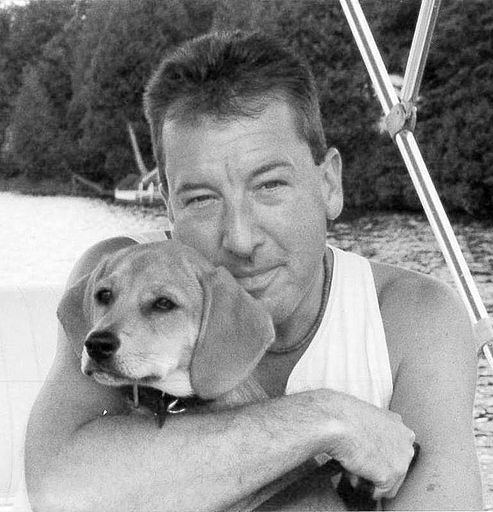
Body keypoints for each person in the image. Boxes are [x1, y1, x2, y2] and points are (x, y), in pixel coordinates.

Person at [25, 30, 482, 511]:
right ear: (168, 207)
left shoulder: (412, 319)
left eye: (269, 186)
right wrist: (325, 418)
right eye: (201, 199)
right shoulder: (118, 276)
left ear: (329, 184)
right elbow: (59, 493)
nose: (240, 240)